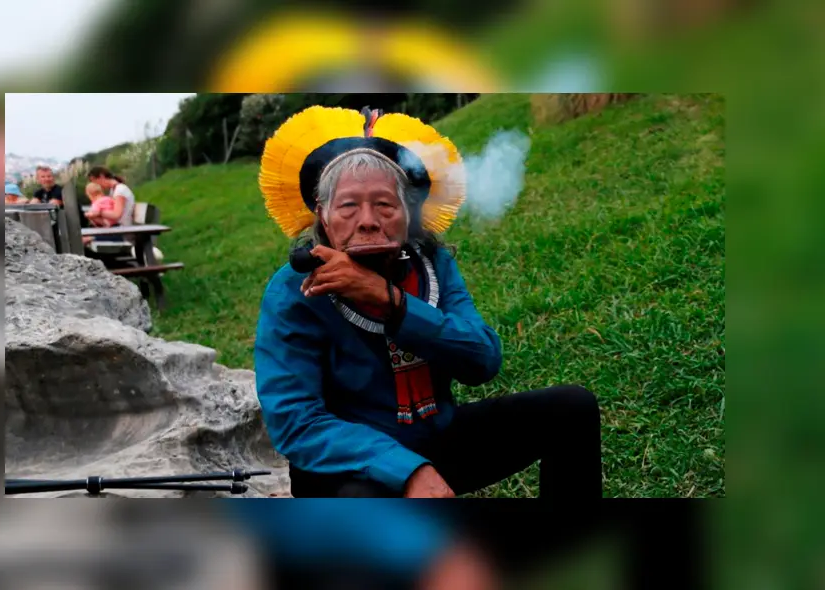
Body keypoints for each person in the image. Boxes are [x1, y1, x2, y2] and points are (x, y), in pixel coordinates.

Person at [253, 106, 602, 498]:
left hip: (437, 436)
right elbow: (295, 421)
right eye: (348, 206)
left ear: (408, 213)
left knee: (572, 409)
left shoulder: (433, 265)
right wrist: (405, 469)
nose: (368, 221)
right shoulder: (293, 291)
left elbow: (482, 360)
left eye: (385, 204)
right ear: (324, 214)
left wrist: (393, 303)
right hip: (351, 464)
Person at [84, 166, 135, 244]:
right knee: (82, 238)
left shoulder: (120, 190)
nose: (95, 185)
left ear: (101, 176)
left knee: (83, 240)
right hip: (117, 229)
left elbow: (116, 215)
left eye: (94, 181)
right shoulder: (114, 190)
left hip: (123, 232)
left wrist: (98, 213)